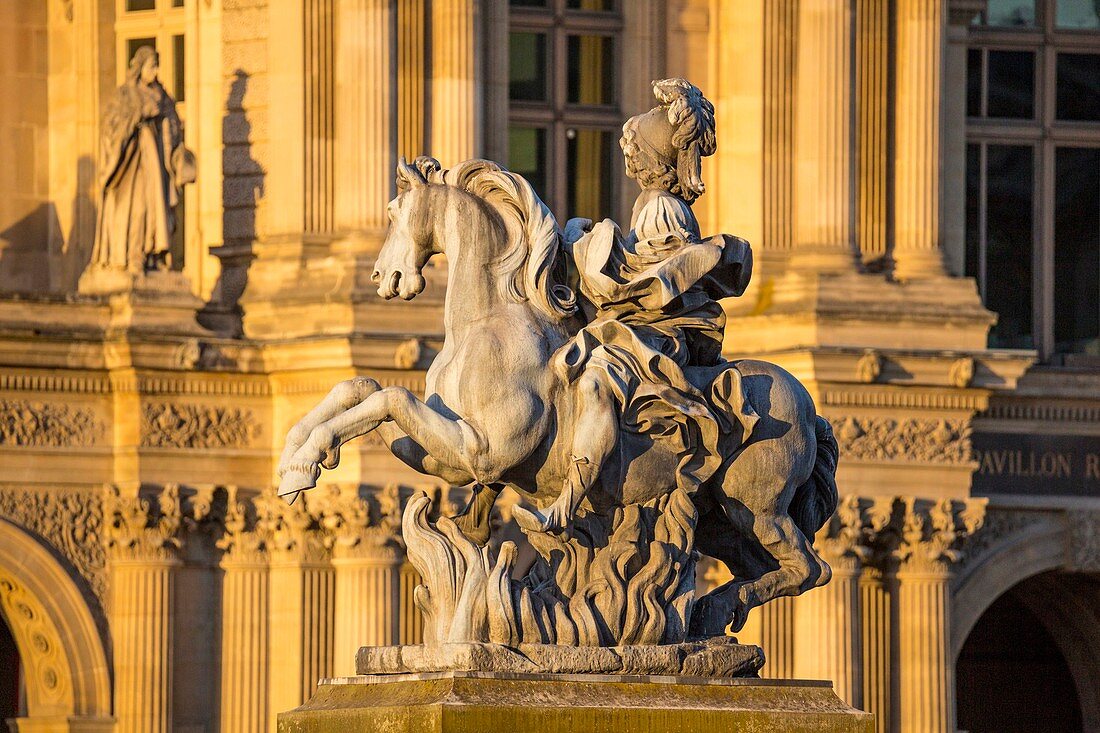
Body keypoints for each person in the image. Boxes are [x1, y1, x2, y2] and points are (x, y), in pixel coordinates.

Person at [517, 79, 759, 534]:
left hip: (656, 332)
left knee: (595, 384)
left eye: (635, 152)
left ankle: (567, 502)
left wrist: (586, 248)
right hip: (642, 326)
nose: (628, 159)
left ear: (652, 160)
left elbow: (647, 283)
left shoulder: (662, 207)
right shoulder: (652, 204)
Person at [88, 46, 195, 279]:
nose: (155, 73)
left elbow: (175, 130)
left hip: (157, 165)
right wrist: (138, 117)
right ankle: (134, 255)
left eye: (157, 67)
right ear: (140, 67)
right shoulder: (125, 95)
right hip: (132, 167)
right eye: (151, 67)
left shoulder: (163, 96)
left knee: (157, 210)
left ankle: (153, 257)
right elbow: (111, 128)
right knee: (138, 210)